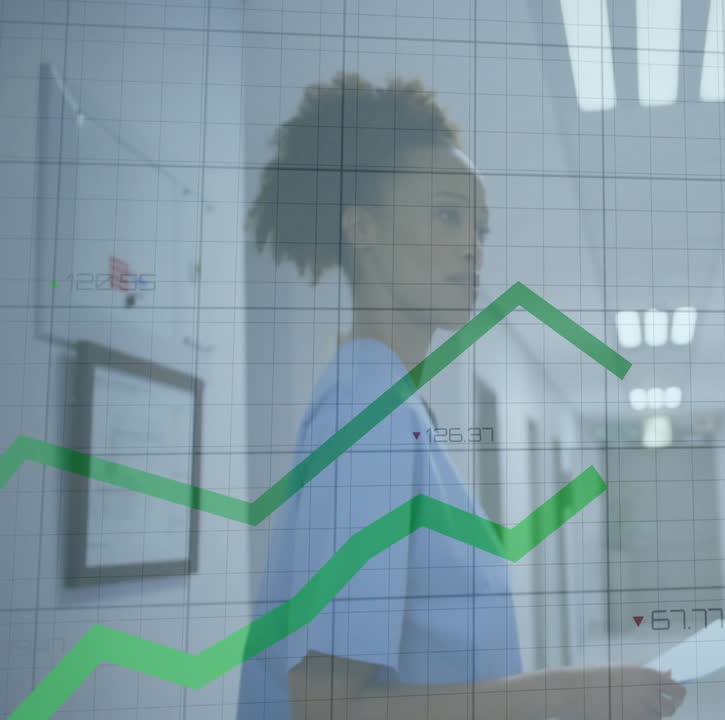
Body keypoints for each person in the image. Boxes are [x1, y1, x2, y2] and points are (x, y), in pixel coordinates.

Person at [235, 72, 685, 720]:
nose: (472, 248)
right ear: (361, 228)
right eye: (447, 215)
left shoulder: (390, 404)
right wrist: (569, 696)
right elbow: (323, 707)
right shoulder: (368, 414)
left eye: (479, 228)